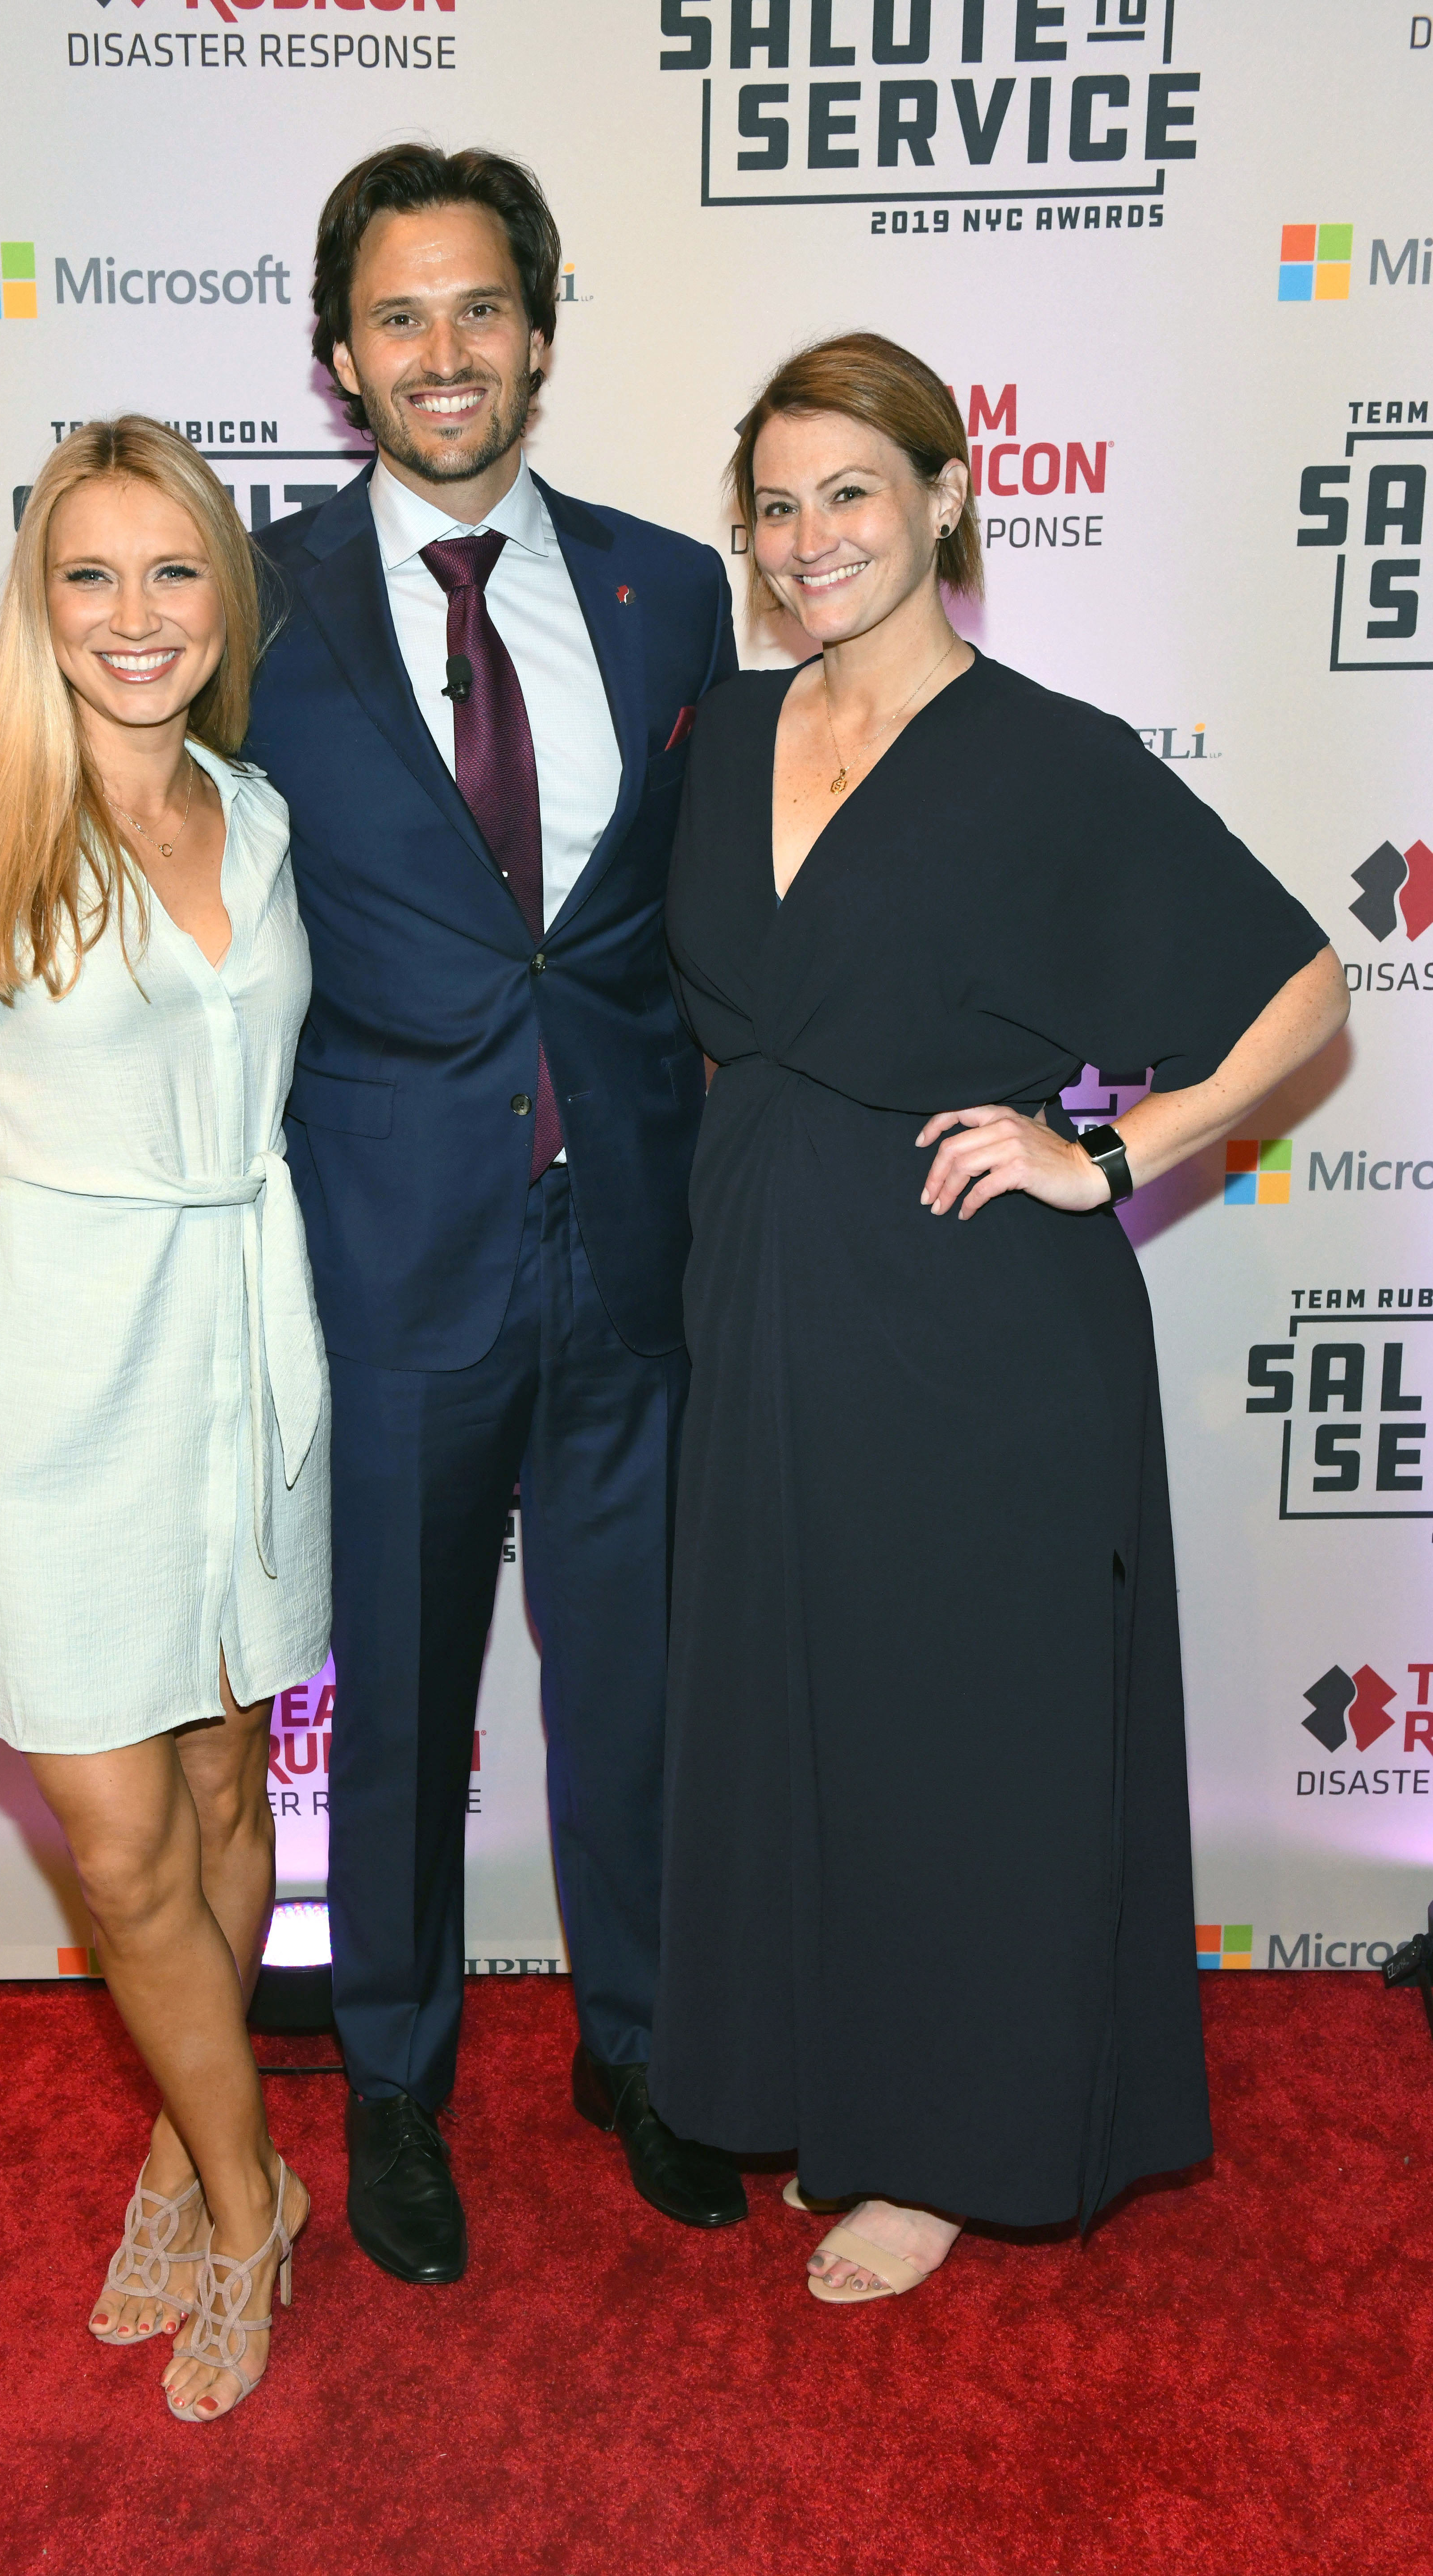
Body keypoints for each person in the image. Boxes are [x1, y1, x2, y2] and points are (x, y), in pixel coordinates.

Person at [649, 333, 1350, 2304]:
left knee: (961, 1733)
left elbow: (1302, 995)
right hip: (767, 1299)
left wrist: (1111, 1157)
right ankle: (837, 2081)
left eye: (851, 494)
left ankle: (948, 2147)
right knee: (813, 1715)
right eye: (776, 506)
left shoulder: (1049, 757)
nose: (811, 540)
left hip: (972, 1326)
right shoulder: (730, 730)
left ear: (947, 497)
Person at [244, 144, 744, 2284]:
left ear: (539, 331)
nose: (442, 352)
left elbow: (701, 917)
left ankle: (642, 2046)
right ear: (341, 354)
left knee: (637, 1683)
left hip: (630, 1227)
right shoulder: (252, 603)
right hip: (391, 1248)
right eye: (399, 316)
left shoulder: (670, 589)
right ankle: (393, 2079)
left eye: (479, 308)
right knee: (401, 1699)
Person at [0, 417, 330, 2417]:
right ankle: (252, 2195)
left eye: (173, 571)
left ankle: (185, 2148)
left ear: (225, 599)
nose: (135, 616)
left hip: (240, 1360)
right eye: (89, 575)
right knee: (119, 1847)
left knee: (224, 1790)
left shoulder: (256, 815)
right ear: (35, 600)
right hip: (41, 1383)